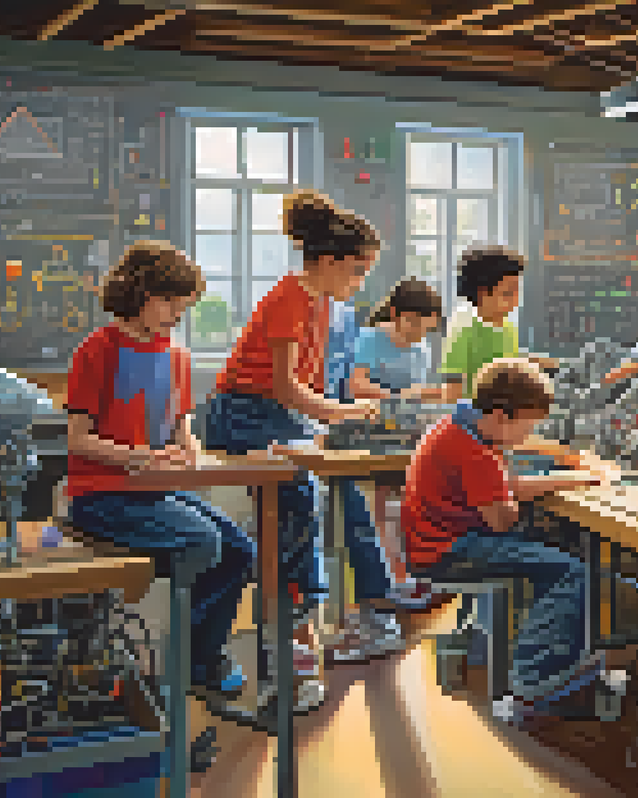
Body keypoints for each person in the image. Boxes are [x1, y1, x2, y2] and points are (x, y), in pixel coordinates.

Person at [201, 189, 380, 714]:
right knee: (301, 495)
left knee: (314, 495)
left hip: (277, 415)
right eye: (356, 271)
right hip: (240, 414)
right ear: (326, 262)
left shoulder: (323, 305)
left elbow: (306, 392)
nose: (360, 283)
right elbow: (283, 388)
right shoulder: (287, 300)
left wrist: (335, 415)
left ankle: (298, 621)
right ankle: (293, 628)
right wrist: (341, 415)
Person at [65, 241, 255, 703]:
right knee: (202, 541)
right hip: (102, 496)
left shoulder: (177, 356)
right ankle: (182, 666)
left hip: (154, 490)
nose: (178, 314)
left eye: (184, 305)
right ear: (140, 293)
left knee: (239, 550)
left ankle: (199, 659)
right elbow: (78, 439)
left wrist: (187, 445)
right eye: (171, 302)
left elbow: (178, 420)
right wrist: (138, 458)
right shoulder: (97, 351)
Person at [403, 358, 611, 723]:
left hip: (441, 540)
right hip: (449, 551)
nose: (528, 437)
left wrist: (578, 480)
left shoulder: (462, 423)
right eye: (528, 426)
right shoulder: (475, 452)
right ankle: (534, 680)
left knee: (557, 547)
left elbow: (507, 486)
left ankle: (561, 659)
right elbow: (502, 519)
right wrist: (520, 505)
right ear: (501, 415)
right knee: (571, 571)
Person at [325, 278, 445, 664]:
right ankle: (385, 583)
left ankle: (403, 577)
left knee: (404, 503)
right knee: (373, 509)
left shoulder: (421, 349)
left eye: (425, 330)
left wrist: (413, 402)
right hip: (362, 434)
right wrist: (400, 397)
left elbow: (418, 395)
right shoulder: (369, 339)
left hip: (402, 435)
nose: (417, 337)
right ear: (396, 316)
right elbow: (355, 385)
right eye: (413, 326)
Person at [440, 246, 526, 402]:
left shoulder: (508, 327)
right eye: (507, 293)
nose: (516, 299)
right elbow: (453, 391)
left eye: (517, 290)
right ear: (482, 293)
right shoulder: (462, 327)